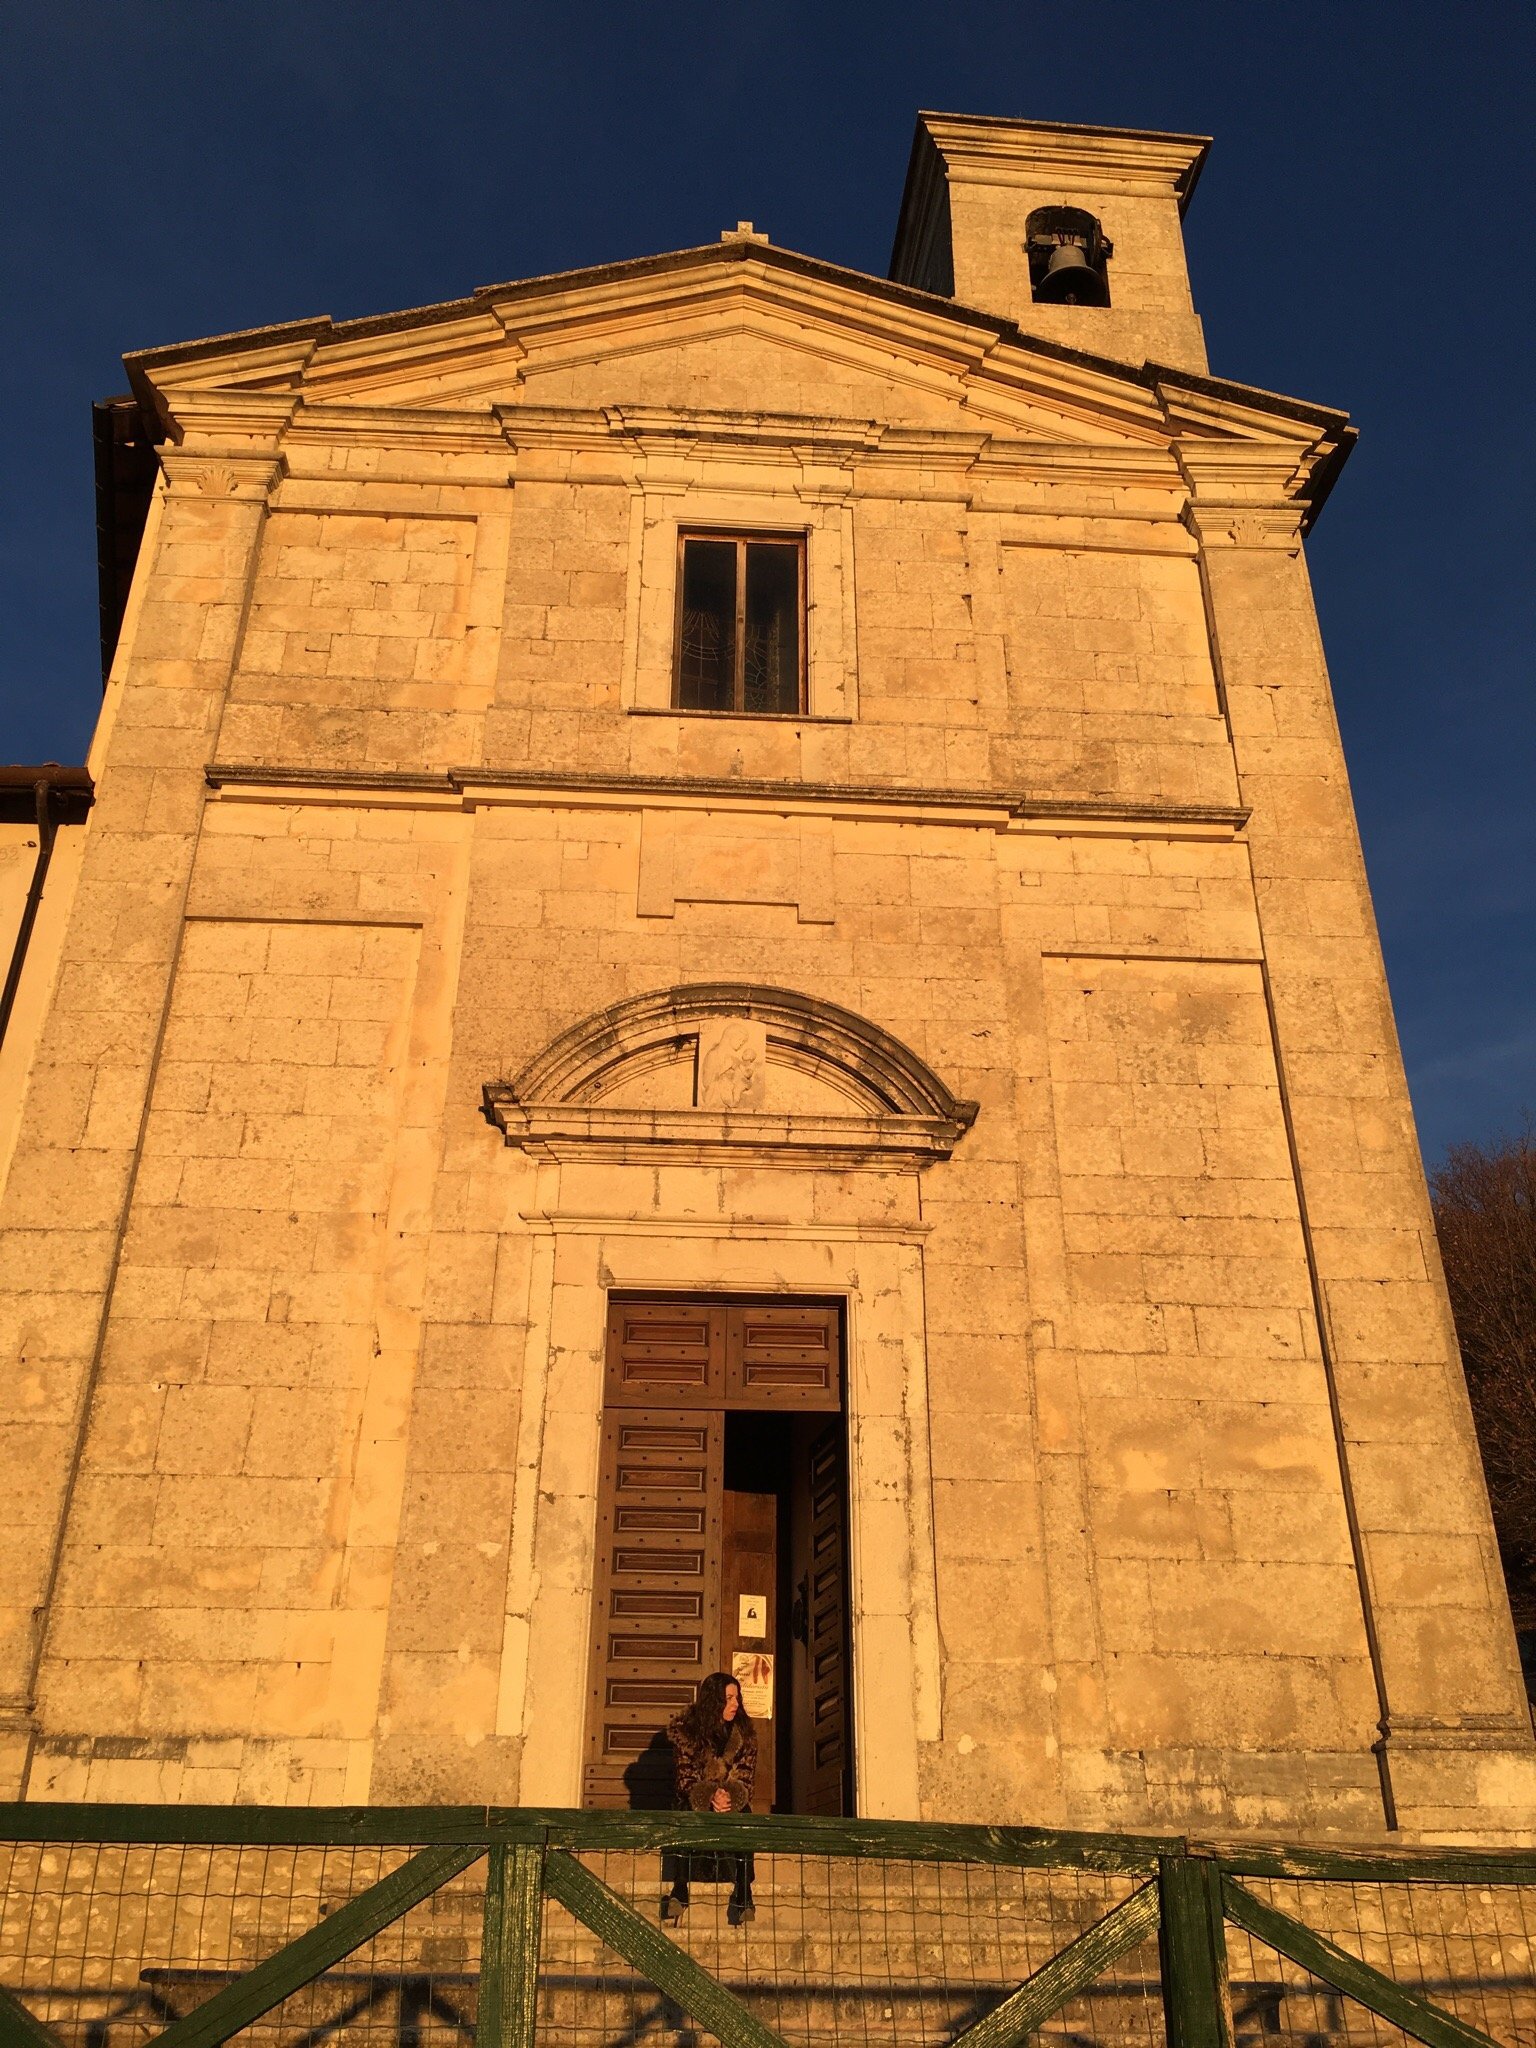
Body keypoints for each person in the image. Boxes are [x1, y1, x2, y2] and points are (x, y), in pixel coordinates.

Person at [661, 1672, 756, 1925]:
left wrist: (729, 1797)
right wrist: (710, 1796)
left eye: (737, 1697)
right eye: (729, 1698)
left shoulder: (743, 1734)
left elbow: (745, 1778)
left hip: (729, 1804)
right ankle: (679, 1890)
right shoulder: (688, 1733)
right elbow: (685, 1779)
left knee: (745, 1814)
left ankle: (744, 1893)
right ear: (714, 1701)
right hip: (698, 1803)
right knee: (683, 1810)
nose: (736, 1703)